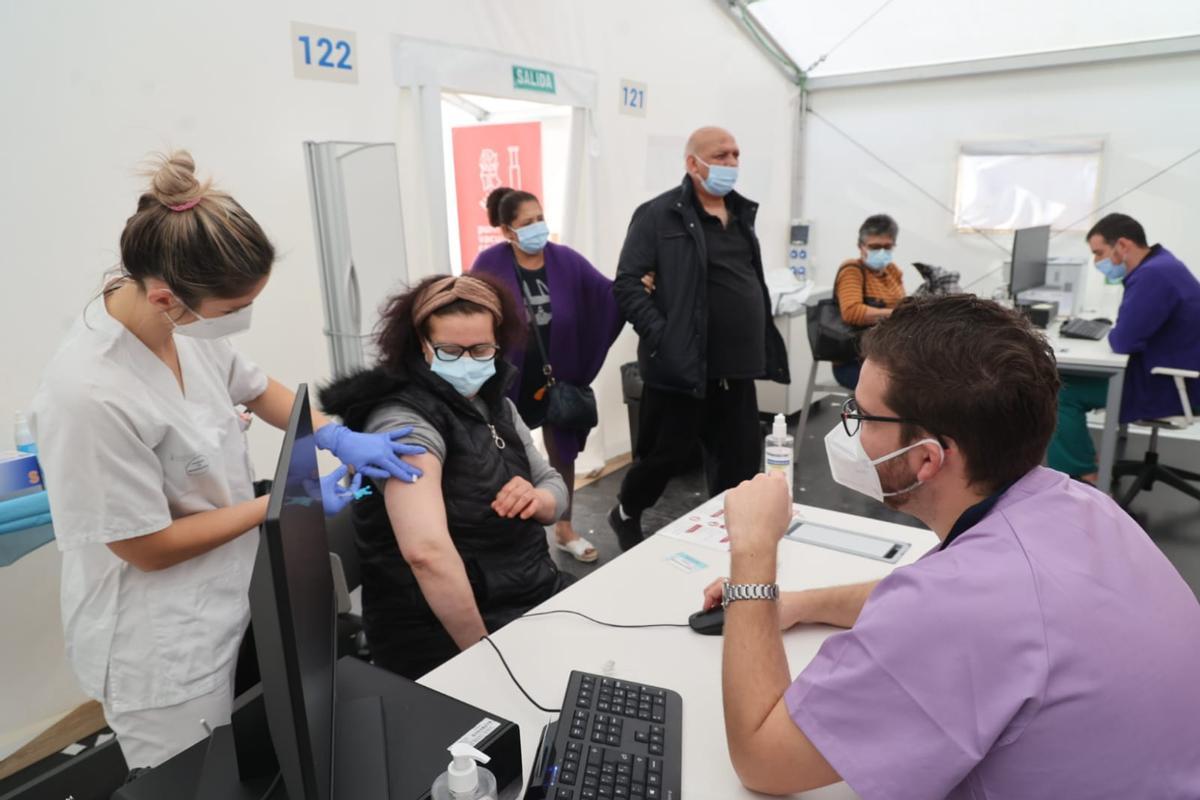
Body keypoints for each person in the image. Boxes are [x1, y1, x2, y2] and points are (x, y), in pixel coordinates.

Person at [707, 294, 1200, 798]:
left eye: (861, 414)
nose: (847, 429)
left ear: (925, 460)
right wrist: (792, 606)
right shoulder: (1079, 505)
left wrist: (753, 551)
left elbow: (763, 760)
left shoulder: (957, 606)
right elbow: (930, 598)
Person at [30, 152, 424, 770]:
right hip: (157, 641)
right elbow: (144, 547)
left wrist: (334, 434)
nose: (239, 323)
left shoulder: (180, 324)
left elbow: (255, 385)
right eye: (231, 311)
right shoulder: (86, 394)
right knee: (193, 778)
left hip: (229, 596)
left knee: (247, 755)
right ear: (165, 296)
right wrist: (282, 505)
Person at [318, 274, 574, 679]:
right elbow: (426, 553)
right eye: (451, 350)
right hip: (444, 630)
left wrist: (539, 500)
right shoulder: (402, 423)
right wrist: (486, 659)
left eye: (481, 349)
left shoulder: (497, 406)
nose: (469, 361)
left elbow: (553, 484)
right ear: (422, 345)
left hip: (528, 590)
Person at [609, 126, 788, 550]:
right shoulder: (656, 215)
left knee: (740, 469)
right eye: (721, 155)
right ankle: (625, 512)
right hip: (681, 368)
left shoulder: (741, 216)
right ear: (693, 163)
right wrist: (663, 336)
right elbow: (628, 284)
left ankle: (727, 546)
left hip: (737, 370)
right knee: (663, 459)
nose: (731, 164)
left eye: (736, 155)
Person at [469, 187, 623, 563]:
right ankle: (514, 533)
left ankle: (565, 528)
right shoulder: (489, 263)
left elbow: (607, 295)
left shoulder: (565, 260)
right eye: (527, 223)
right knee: (506, 453)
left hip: (559, 374)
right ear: (507, 231)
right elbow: (469, 307)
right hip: (510, 378)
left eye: (540, 218)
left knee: (562, 455)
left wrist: (637, 287)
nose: (538, 227)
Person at [1047, 212, 1200, 481]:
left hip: (1169, 386)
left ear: (1123, 245)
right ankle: (1084, 458)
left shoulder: (1154, 275)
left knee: (1060, 390)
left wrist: (1117, 329)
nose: (1097, 262)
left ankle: (1081, 474)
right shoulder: (1162, 265)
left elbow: (1123, 341)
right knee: (1069, 381)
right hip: (1173, 374)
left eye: (1099, 253)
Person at [830, 214, 906, 389]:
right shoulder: (852, 270)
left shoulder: (893, 271)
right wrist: (896, 313)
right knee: (902, 391)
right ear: (861, 247)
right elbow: (852, 312)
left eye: (887, 246)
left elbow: (902, 305)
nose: (881, 251)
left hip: (888, 356)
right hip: (856, 361)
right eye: (875, 247)